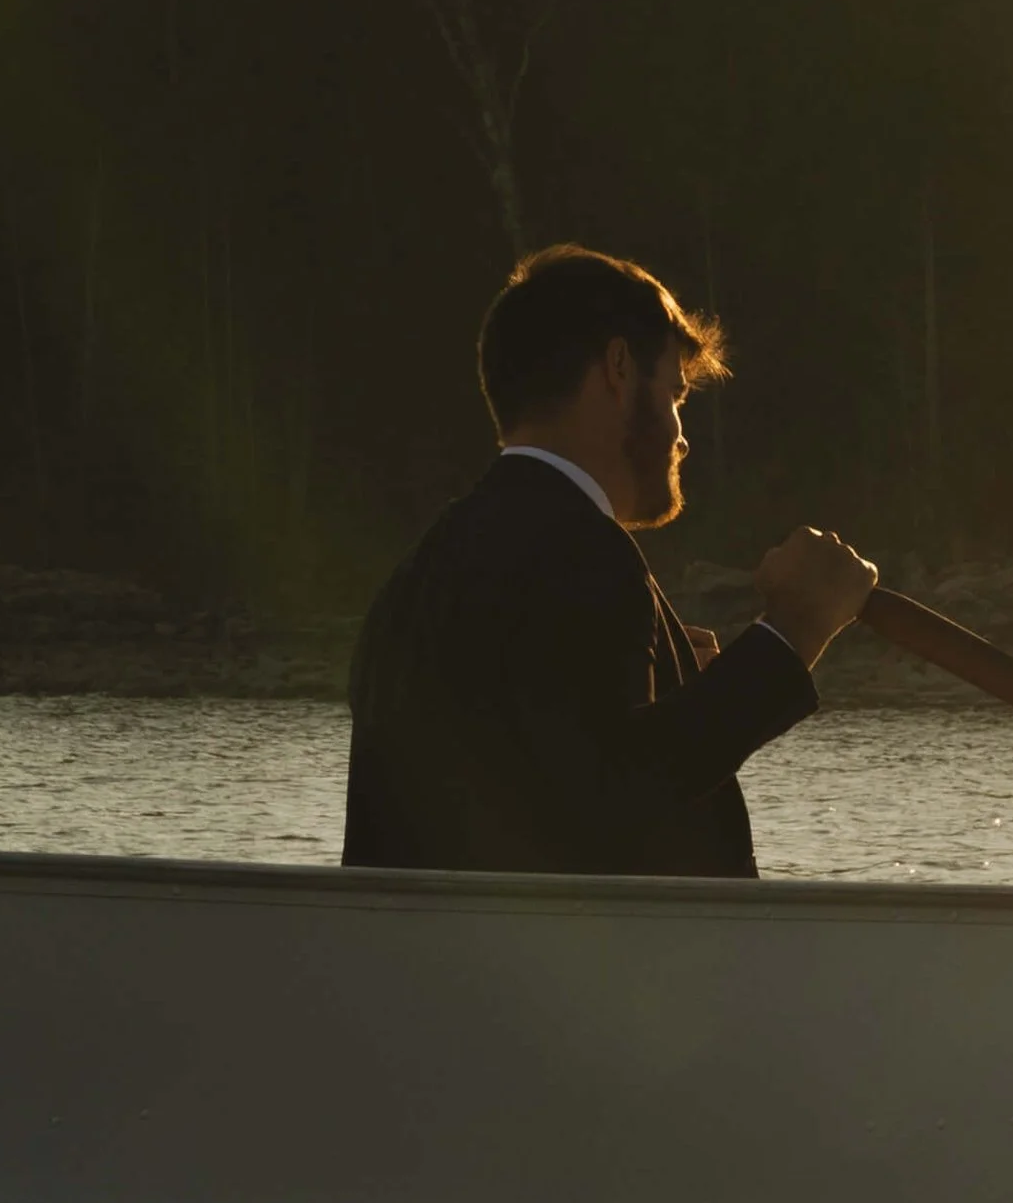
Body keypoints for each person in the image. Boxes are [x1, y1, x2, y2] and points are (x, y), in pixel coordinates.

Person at [343, 244, 875, 876]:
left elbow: (533, 774)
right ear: (619, 367)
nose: (682, 435)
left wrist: (682, 686)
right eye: (676, 393)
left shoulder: (421, 573)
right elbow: (610, 799)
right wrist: (793, 633)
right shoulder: (581, 554)